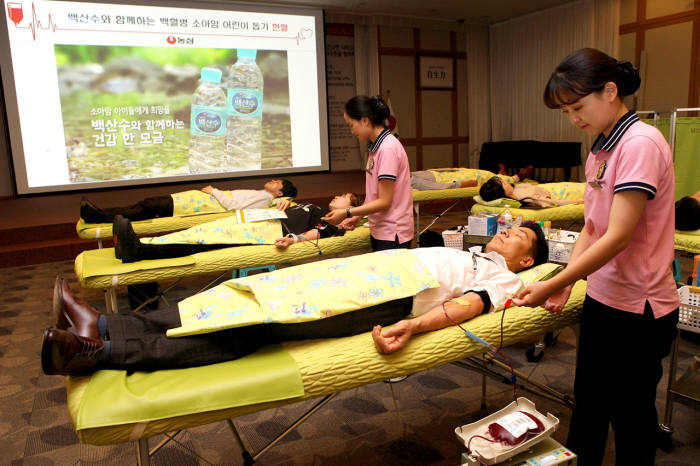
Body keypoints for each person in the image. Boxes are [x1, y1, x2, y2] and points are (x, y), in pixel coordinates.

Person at [41, 223, 548, 376]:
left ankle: (99, 352)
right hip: (363, 272)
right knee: (246, 290)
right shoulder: (471, 252)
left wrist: (414, 327)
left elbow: (470, 307)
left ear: (528, 260)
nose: (507, 231)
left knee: (254, 324)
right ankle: (108, 326)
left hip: (387, 297)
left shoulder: (506, 279)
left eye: (520, 233)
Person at [511, 48, 679, 465]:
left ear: (610, 91)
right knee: (588, 405)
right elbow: (592, 227)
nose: (574, 119)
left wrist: (551, 281)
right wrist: (567, 280)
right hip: (604, 296)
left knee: (631, 417)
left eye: (578, 107)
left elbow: (619, 235)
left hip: (640, 307)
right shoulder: (601, 148)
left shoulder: (641, 142)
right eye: (566, 111)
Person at [112, 193, 360, 262]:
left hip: (266, 232)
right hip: (258, 219)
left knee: (204, 240)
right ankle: (138, 246)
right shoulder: (316, 207)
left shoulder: (331, 223)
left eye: (344, 197)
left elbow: (317, 234)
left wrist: (292, 241)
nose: (338, 196)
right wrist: (283, 203)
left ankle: (140, 250)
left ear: (350, 208)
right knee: (198, 232)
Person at [322, 95, 413, 251]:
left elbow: (384, 201)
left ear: (365, 121)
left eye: (351, 125)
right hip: (382, 229)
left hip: (392, 233)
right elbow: (374, 195)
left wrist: (347, 212)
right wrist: (357, 217)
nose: (352, 131)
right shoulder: (376, 147)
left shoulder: (387, 149)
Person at [79, 179, 298, 223]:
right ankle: (100, 214)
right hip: (194, 200)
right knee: (145, 206)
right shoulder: (264, 195)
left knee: (145, 207)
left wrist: (214, 191)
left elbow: (233, 206)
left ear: (279, 193)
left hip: (198, 205)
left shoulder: (264, 198)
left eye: (277, 182)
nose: (272, 180)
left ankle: (98, 216)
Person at [479, 176, 583, 207]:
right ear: (503, 193)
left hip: (558, 187)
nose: (506, 181)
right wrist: (578, 201)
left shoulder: (516, 189)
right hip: (565, 193)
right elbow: (555, 202)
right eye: (504, 183)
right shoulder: (526, 199)